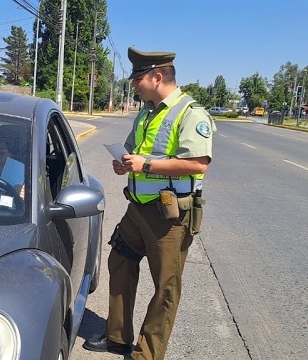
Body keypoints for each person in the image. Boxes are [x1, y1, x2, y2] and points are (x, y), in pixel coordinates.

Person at [82, 47, 216, 359]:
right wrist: (124, 164)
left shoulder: (190, 113)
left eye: (138, 78)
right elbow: (134, 153)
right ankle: (118, 337)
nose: (134, 84)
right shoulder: (147, 112)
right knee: (120, 260)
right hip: (138, 208)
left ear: (157, 77)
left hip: (170, 215)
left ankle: (148, 353)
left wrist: (146, 165)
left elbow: (198, 163)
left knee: (165, 287)